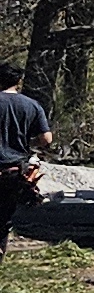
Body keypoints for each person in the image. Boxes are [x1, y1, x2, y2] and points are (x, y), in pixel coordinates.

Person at [0, 65, 43, 255]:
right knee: (4, 218)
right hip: (16, 171)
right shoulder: (31, 105)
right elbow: (46, 138)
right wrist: (27, 141)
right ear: (18, 81)